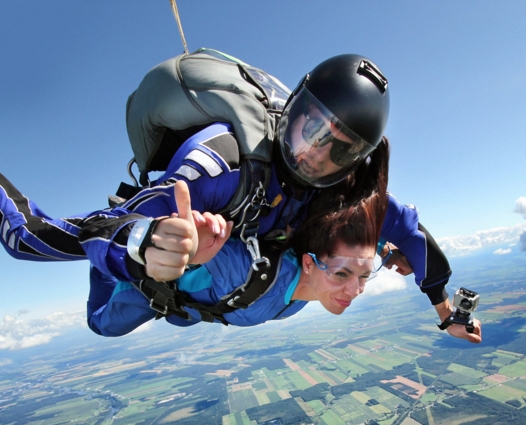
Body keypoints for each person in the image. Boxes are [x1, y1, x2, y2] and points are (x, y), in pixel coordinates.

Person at [0, 54, 481, 343]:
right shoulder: (222, 161)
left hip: (227, 278)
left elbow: (412, 234)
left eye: (340, 149)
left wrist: (444, 311)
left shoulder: (343, 187)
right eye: (311, 128)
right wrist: (151, 245)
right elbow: (113, 222)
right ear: (291, 109)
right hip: (162, 263)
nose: (314, 154)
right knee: (81, 300)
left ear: (357, 160)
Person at [87, 181, 384, 336]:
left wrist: (393, 249)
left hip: (193, 309)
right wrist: (186, 241)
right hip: (148, 290)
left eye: (365, 276)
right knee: (102, 325)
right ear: (308, 263)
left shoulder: (315, 285)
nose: (355, 291)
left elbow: (357, 250)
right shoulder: (245, 268)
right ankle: (116, 244)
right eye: (343, 275)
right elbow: (207, 246)